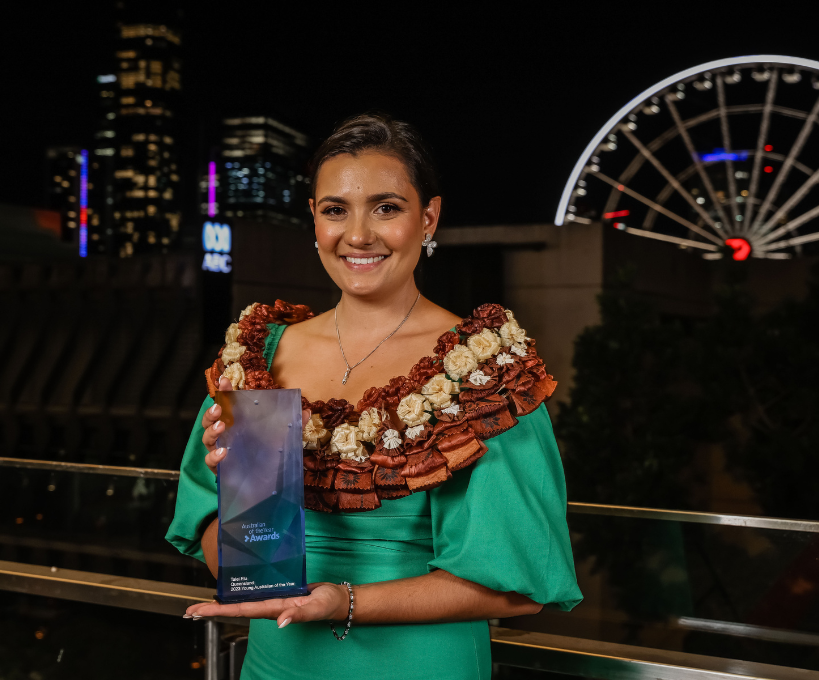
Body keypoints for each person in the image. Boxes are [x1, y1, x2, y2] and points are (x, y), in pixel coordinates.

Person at [166, 113, 582, 680]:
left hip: (418, 663)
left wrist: (345, 600)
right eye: (336, 209)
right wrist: (240, 503)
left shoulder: (486, 371)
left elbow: (520, 585)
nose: (358, 235)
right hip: (276, 662)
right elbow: (216, 530)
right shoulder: (258, 353)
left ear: (428, 217)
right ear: (313, 219)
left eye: (386, 208)